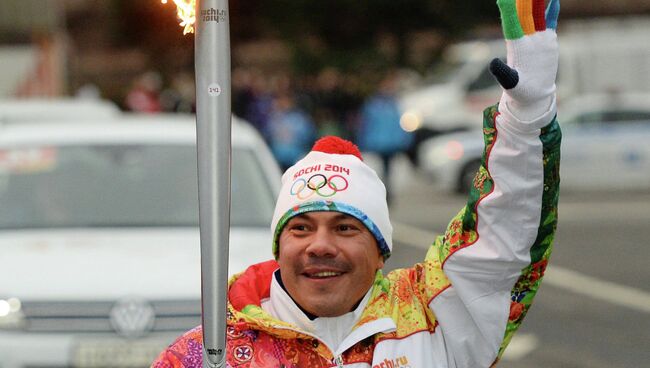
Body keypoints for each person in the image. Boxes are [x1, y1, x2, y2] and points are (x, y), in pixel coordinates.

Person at [152, 0, 562, 366]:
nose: (320, 246)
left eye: (346, 227)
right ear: (279, 248)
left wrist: (526, 118)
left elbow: (503, 240)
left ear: (381, 252)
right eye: (300, 228)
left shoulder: (437, 319)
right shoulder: (201, 355)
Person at [356, 70, 413, 203]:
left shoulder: (394, 103)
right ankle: (382, 192)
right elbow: (367, 124)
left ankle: (387, 192)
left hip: (389, 143)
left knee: (389, 170)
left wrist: (403, 139)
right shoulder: (375, 104)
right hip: (378, 143)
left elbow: (400, 123)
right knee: (379, 169)